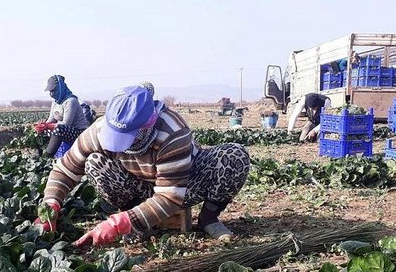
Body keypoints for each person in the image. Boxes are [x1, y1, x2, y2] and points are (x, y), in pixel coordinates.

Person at [35, 85, 251, 246]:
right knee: (94, 163)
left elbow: (169, 197)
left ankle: (208, 218)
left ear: (148, 126)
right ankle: (136, 217)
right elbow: (65, 169)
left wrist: (118, 224)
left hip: (183, 184)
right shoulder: (99, 130)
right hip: (138, 185)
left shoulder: (172, 132)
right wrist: (50, 205)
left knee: (235, 156)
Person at [33, 75, 90, 158]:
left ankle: (47, 156)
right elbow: (51, 120)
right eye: (50, 91)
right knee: (39, 129)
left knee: (58, 129)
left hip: (78, 132)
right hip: (63, 131)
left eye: (53, 91)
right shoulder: (55, 102)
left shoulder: (71, 101)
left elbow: (66, 123)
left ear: (60, 88)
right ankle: (38, 155)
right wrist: (43, 125)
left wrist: (50, 126)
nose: (51, 94)